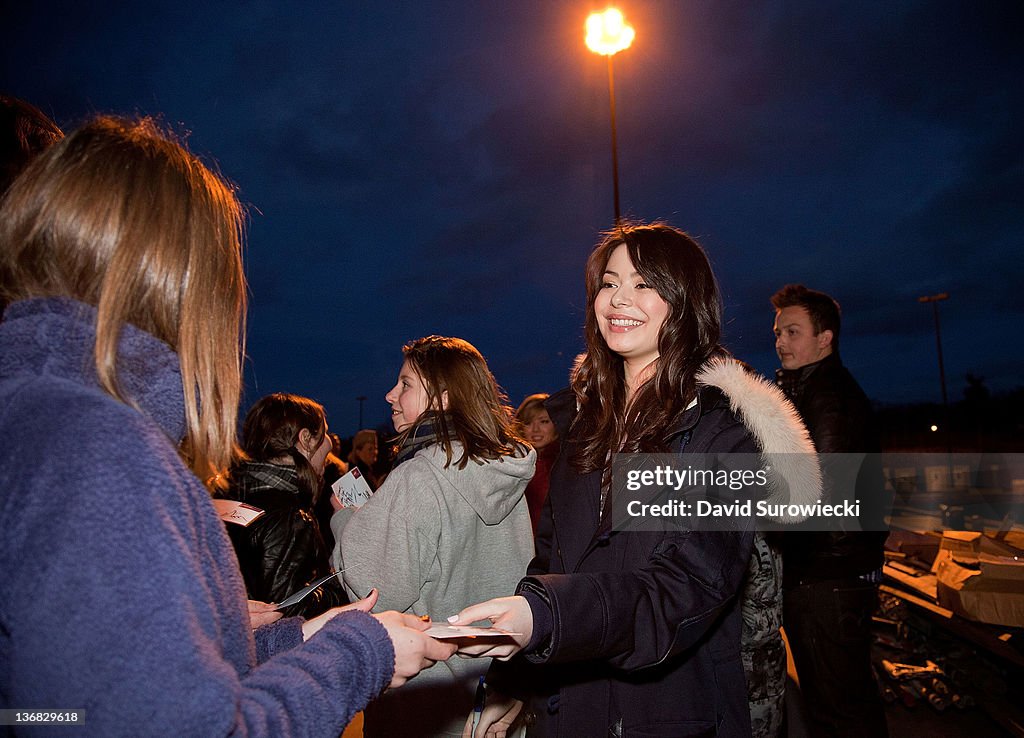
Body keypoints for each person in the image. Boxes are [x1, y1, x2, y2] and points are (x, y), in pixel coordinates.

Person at [0, 115, 454, 735]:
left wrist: (293, 641)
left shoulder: (39, 419)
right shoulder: (99, 451)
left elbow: (80, 703)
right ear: (176, 277)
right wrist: (357, 652)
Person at [452, 224, 820, 738]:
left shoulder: (717, 430)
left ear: (686, 301)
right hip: (569, 702)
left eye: (645, 283)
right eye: (609, 282)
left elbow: (684, 585)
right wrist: (513, 680)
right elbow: (552, 558)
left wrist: (548, 616)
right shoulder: (585, 425)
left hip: (666, 711)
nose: (619, 298)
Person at [332, 335, 536, 738]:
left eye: (406, 384)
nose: (391, 395)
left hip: (426, 702)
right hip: (492, 696)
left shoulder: (420, 474)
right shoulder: (502, 471)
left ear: (442, 399)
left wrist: (347, 521)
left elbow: (374, 588)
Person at [771, 284, 889, 738]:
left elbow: (822, 497)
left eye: (793, 331)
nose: (781, 341)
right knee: (839, 700)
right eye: (779, 332)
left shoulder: (828, 399)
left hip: (827, 578)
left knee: (838, 709)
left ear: (826, 338)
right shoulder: (812, 391)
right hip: (828, 575)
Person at [221, 393, 350, 618]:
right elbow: (287, 609)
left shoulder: (230, 494)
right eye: (324, 432)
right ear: (305, 439)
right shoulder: (290, 517)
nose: (328, 442)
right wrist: (338, 583)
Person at [515, 393, 560, 534]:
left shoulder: (566, 465)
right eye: (528, 423)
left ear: (556, 424)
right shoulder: (511, 465)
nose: (536, 429)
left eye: (544, 421)